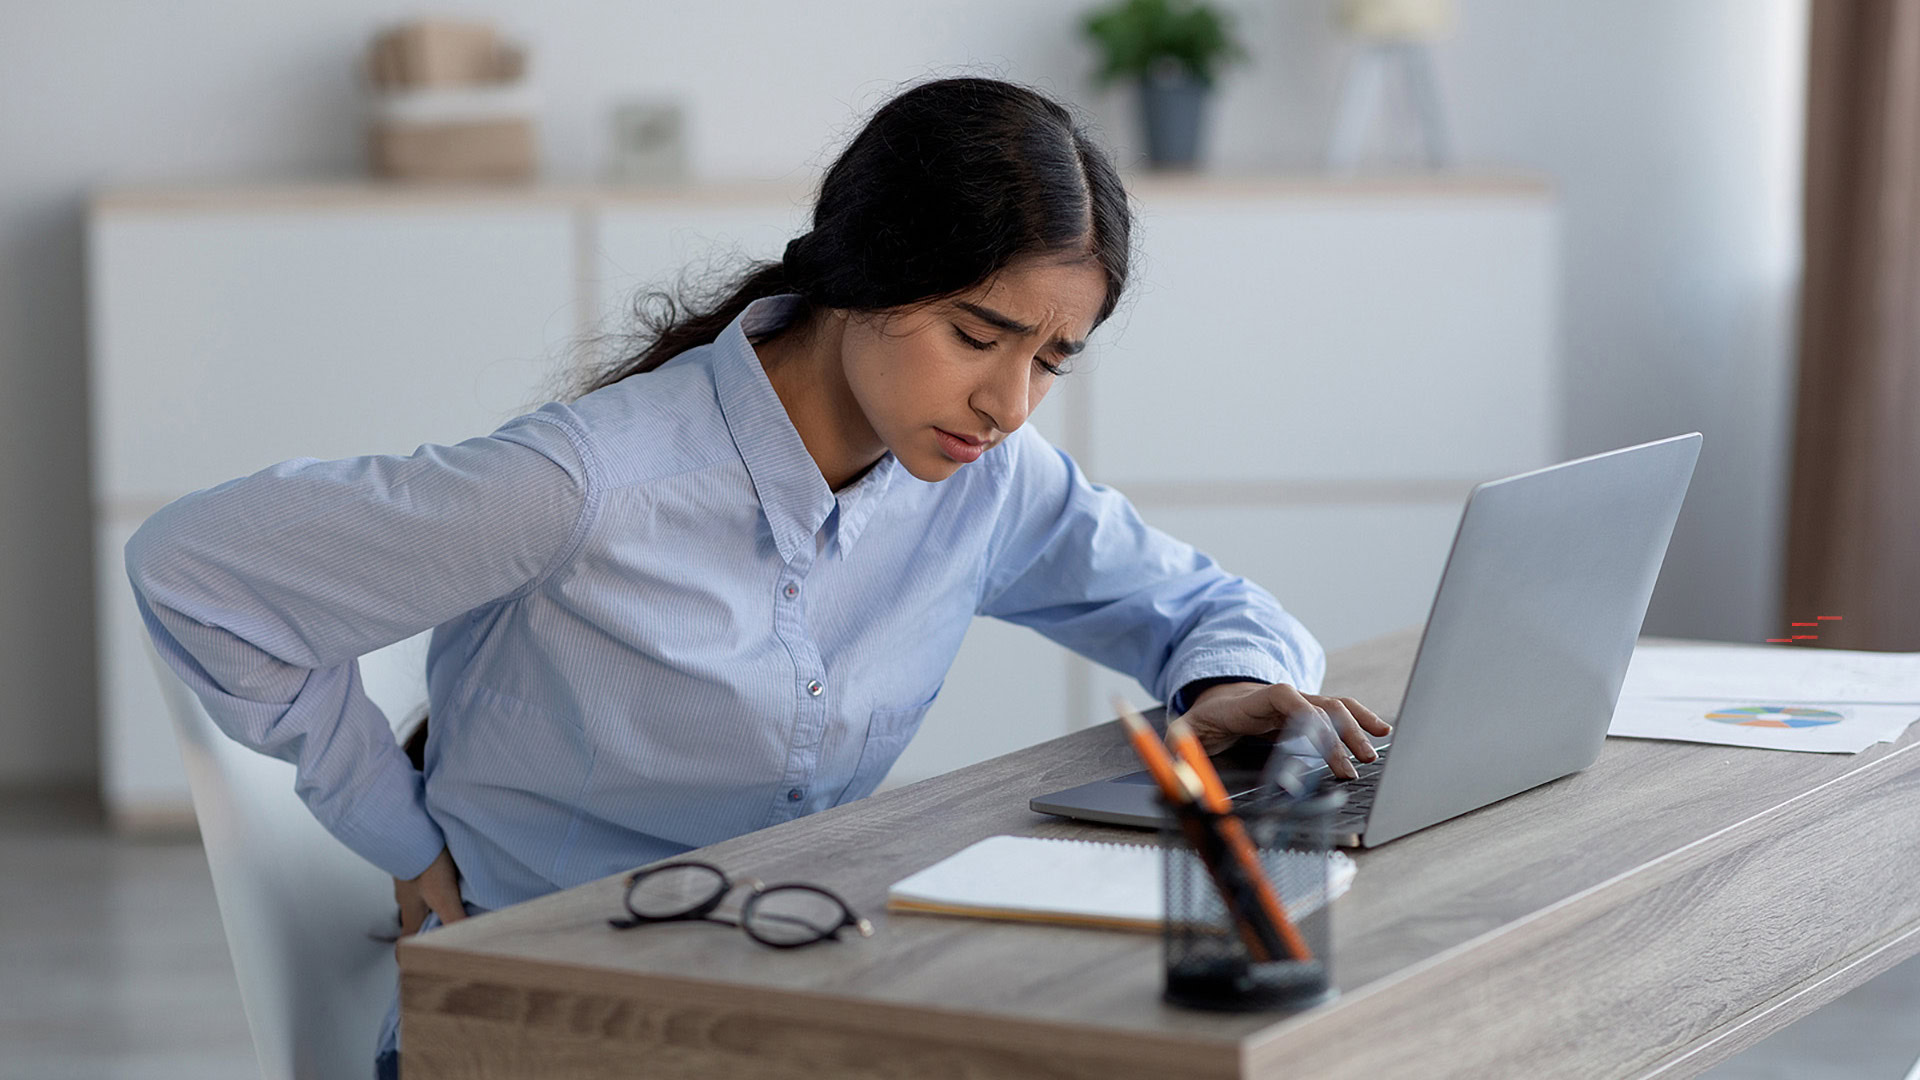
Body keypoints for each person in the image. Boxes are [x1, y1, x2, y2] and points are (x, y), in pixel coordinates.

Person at [124, 76, 1390, 1080]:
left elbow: (1212, 608)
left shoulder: (982, 478)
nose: (1009, 403)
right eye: (976, 336)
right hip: (535, 1028)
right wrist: (390, 822)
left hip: (784, 1001)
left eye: (1054, 358)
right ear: (862, 280)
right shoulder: (589, 482)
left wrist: (1229, 682)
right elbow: (196, 571)